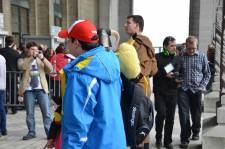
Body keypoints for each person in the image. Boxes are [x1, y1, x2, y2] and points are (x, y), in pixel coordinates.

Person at [58, 19, 126, 148]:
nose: (66, 44)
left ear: (76, 43)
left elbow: (76, 125)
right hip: (115, 141)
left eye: (68, 39)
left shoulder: (81, 74)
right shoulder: (111, 61)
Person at [123, 14, 157, 149]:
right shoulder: (136, 42)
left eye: (128, 23)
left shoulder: (140, 43)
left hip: (138, 87)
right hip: (139, 87)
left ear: (136, 25)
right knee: (142, 120)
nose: (125, 25)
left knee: (137, 122)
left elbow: (144, 70)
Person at [178, 36, 211, 148]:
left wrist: (202, 86)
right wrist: (171, 75)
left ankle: (196, 130)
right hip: (183, 89)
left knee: (196, 114)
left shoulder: (202, 56)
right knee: (183, 114)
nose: (191, 51)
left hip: (197, 90)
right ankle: (184, 138)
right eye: (189, 48)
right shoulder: (181, 55)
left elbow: (207, 74)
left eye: (193, 48)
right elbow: (171, 67)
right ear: (186, 46)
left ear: (196, 46)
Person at [17, 42, 53, 140]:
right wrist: (31, 58)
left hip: (41, 89)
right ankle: (31, 132)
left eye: (36, 49)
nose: (34, 51)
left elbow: (50, 69)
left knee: (47, 113)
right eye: (32, 49)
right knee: (30, 113)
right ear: (27, 50)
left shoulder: (41, 59)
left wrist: (43, 58)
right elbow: (22, 67)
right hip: (28, 90)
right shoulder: (22, 59)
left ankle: (49, 133)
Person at [153, 36, 182, 149]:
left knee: (170, 117)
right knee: (161, 114)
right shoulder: (157, 57)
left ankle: (167, 140)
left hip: (173, 91)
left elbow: (180, 71)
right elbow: (154, 72)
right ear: (165, 46)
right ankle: (158, 137)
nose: (174, 48)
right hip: (160, 91)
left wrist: (178, 79)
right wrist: (164, 74)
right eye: (171, 46)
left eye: (175, 45)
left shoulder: (178, 58)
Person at [0, 36, 20, 114]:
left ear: (5, 41)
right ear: (12, 43)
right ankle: (14, 108)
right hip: (13, 75)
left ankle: (4, 108)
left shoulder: (1, 51)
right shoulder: (16, 52)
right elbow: (18, 64)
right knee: (13, 91)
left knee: (4, 91)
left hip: (3, 75)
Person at [0, 54, 7, 136]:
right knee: (1, 107)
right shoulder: (2, 57)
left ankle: (3, 128)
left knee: (1, 108)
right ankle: (3, 128)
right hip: (2, 85)